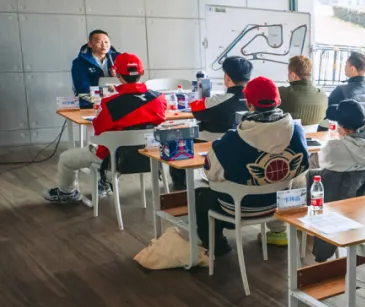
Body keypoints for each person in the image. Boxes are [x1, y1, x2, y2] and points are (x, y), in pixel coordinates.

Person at [197, 77, 310, 255]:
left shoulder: (231, 140)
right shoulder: (297, 132)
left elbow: (211, 173)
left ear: (248, 104)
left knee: (200, 195)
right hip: (280, 205)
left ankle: (218, 246)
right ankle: (277, 231)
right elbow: (303, 166)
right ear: (278, 101)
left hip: (238, 209)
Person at [45, 53, 166, 203]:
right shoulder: (159, 98)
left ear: (117, 75)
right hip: (151, 155)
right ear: (142, 73)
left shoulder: (109, 103)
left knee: (65, 159)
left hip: (115, 158)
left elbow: (99, 132)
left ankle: (67, 193)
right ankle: (104, 181)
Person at [309, 100, 365, 263]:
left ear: (343, 129)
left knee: (311, 175)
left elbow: (317, 163)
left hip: (338, 213)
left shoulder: (333, 149)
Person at [170, 56, 254, 190]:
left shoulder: (218, 100)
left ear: (227, 77)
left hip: (212, 142)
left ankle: (180, 186)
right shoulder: (254, 100)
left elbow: (196, 109)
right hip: (244, 144)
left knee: (180, 137)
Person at [325, 51, 365, 123]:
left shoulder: (341, 90)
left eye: (346, 66)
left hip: (346, 128)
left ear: (352, 69)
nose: (344, 68)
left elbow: (327, 111)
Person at [72, 30, 120, 108]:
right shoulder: (80, 62)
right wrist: (100, 97)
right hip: (91, 103)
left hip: (117, 101)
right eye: (99, 42)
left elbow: (129, 80)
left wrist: (118, 76)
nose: (104, 45)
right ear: (90, 44)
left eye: (106, 42)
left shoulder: (118, 58)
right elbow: (82, 86)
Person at [278, 55, 327, 127]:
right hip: (314, 133)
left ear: (293, 75)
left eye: (288, 73)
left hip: (288, 133)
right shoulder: (322, 95)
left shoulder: (281, 93)